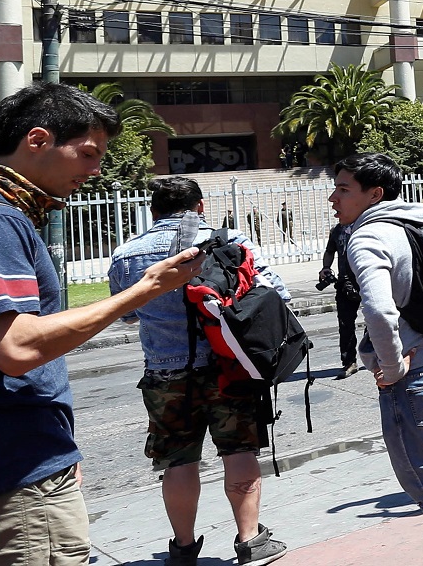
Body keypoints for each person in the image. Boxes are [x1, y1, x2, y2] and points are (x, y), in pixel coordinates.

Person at [0, 83, 203, 566]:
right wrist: (146, 289)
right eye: (88, 153)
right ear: (37, 140)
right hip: (8, 477)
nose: (95, 170)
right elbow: (16, 348)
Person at [108, 177, 291, 566]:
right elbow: (276, 291)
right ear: (200, 206)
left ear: (153, 211)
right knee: (239, 451)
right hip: (229, 367)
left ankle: (183, 547)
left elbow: (125, 314)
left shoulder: (127, 254)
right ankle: (251, 542)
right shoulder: (230, 240)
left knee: (177, 461)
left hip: (166, 373)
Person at [331, 153, 423, 566]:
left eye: (343, 189)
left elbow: (378, 310)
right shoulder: (416, 223)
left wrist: (391, 369)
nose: (333, 198)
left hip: (411, 376)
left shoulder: (368, 237)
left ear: (374, 194)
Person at [319, 220, 363, 379]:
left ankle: (378, 356)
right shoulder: (337, 231)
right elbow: (330, 251)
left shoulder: (366, 225)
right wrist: (326, 268)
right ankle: (349, 362)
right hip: (345, 283)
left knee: (377, 319)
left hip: (367, 280)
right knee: (345, 325)